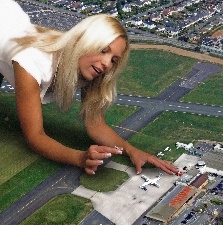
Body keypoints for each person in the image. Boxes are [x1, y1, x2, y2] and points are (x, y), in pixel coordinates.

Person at [0, 0, 178, 175]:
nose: (107, 64)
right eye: (103, 50)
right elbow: (35, 138)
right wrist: (79, 158)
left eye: (114, 60)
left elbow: (96, 125)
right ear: (85, 42)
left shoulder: (89, 67)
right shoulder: (32, 63)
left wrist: (132, 151)